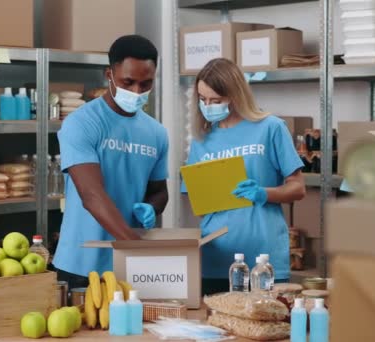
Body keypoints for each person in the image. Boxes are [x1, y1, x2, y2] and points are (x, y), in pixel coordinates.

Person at [182, 58, 306, 294]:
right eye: (202, 99)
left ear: (235, 95)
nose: (208, 105)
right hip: (217, 259)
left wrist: (263, 193)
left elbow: (298, 188)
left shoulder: (270, 128)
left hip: (264, 258)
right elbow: (195, 201)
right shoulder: (201, 140)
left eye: (216, 100)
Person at [53, 35, 169, 289]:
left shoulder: (157, 133)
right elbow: (92, 195)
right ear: (109, 75)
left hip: (129, 265)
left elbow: (159, 191)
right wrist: (138, 248)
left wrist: (152, 207)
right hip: (81, 265)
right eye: (128, 82)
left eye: (146, 83)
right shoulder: (81, 123)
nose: (137, 91)